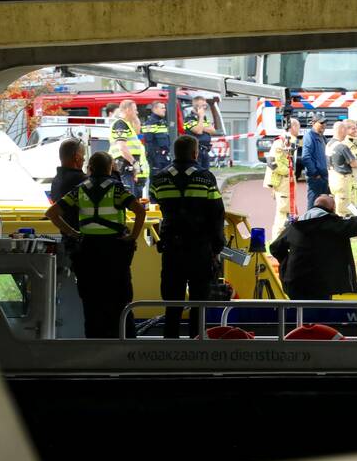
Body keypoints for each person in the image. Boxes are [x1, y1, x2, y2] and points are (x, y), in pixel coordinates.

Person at [46, 151, 146, 338]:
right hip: (114, 252)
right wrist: (132, 236)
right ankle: (125, 345)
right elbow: (140, 212)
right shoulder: (117, 189)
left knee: (91, 303)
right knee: (121, 302)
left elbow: (52, 213)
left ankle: (94, 347)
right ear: (110, 168)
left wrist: (72, 232)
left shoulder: (80, 189)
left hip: (87, 252)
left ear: (89, 168)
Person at [149, 135, 225, 339]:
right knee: (199, 302)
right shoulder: (205, 177)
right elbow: (217, 213)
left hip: (172, 248)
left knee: (172, 302)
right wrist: (217, 246)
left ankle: (170, 346)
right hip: (199, 247)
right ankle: (196, 345)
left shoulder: (160, 178)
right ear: (195, 153)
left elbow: (157, 202)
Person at [269, 195, 357, 300]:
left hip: (295, 283)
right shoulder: (332, 224)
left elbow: (275, 248)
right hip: (321, 284)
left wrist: (287, 264)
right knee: (320, 319)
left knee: (300, 319)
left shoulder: (295, 227)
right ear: (332, 209)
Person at [265, 118, 299, 240]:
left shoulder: (287, 141)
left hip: (286, 181)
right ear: (293, 127)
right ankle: (276, 242)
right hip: (284, 182)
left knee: (288, 212)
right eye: (298, 127)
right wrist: (287, 172)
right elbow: (272, 162)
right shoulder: (282, 142)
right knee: (283, 214)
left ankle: (283, 241)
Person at [109, 99, 149, 198]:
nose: (137, 112)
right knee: (128, 199)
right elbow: (122, 147)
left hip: (127, 168)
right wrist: (134, 163)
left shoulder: (126, 124)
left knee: (131, 198)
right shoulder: (120, 124)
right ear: (127, 110)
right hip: (124, 167)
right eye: (135, 109)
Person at [326, 120, 357, 216]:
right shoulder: (342, 147)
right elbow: (354, 163)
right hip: (342, 180)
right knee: (343, 211)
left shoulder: (329, 144)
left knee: (336, 206)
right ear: (342, 130)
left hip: (332, 178)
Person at [301, 117, 330, 209]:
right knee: (313, 205)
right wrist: (314, 173)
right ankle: (309, 222)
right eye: (321, 123)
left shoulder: (322, 137)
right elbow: (306, 157)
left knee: (324, 205)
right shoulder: (309, 136)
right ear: (313, 123)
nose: (323, 125)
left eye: (325, 123)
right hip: (316, 178)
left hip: (324, 177)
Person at [183, 96, 217, 169]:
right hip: (194, 152)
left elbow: (213, 131)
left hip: (204, 151)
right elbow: (198, 131)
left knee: (205, 175)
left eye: (205, 105)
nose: (205, 108)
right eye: (203, 106)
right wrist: (201, 116)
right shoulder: (189, 119)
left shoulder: (204, 119)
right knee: (195, 175)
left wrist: (202, 127)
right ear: (197, 107)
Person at [50, 138, 87, 203]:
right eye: (83, 156)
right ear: (77, 158)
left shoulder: (56, 181)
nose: (84, 160)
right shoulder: (81, 180)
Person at [142, 101, 172, 174]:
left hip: (164, 156)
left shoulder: (162, 122)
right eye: (162, 108)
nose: (164, 110)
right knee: (156, 179)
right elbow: (149, 143)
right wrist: (154, 160)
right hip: (156, 158)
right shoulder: (150, 123)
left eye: (164, 108)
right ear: (155, 109)